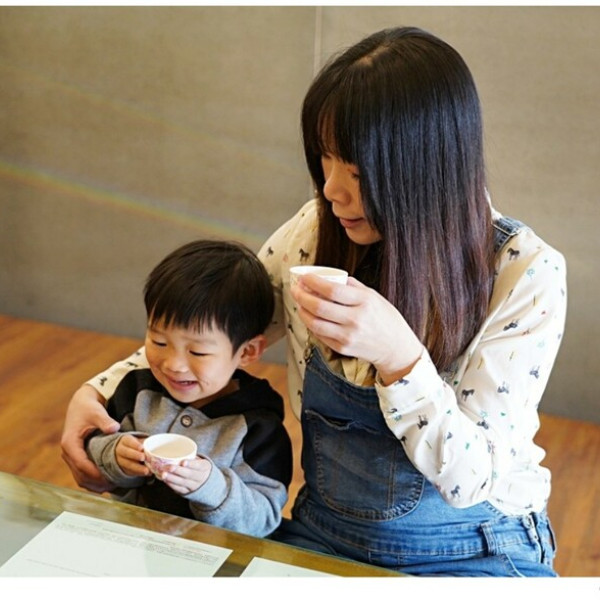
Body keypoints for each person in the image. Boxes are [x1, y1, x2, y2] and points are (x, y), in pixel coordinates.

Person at [61, 27, 567, 576]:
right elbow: (215, 329)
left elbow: (471, 480)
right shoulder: (317, 230)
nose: (330, 190)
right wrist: (96, 390)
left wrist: (399, 357)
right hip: (323, 531)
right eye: (325, 159)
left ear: (427, 167)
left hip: (475, 544)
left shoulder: (524, 273)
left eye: (356, 171)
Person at [82, 239, 293, 538]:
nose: (174, 364)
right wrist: (115, 455)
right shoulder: (138, 391)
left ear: (247, 352)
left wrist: (211, 487)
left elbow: (264, 517)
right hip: (135, 542)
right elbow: (94, 447)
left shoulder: (257, 428)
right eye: (159, 342)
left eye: (197, 352)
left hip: (217, 554)